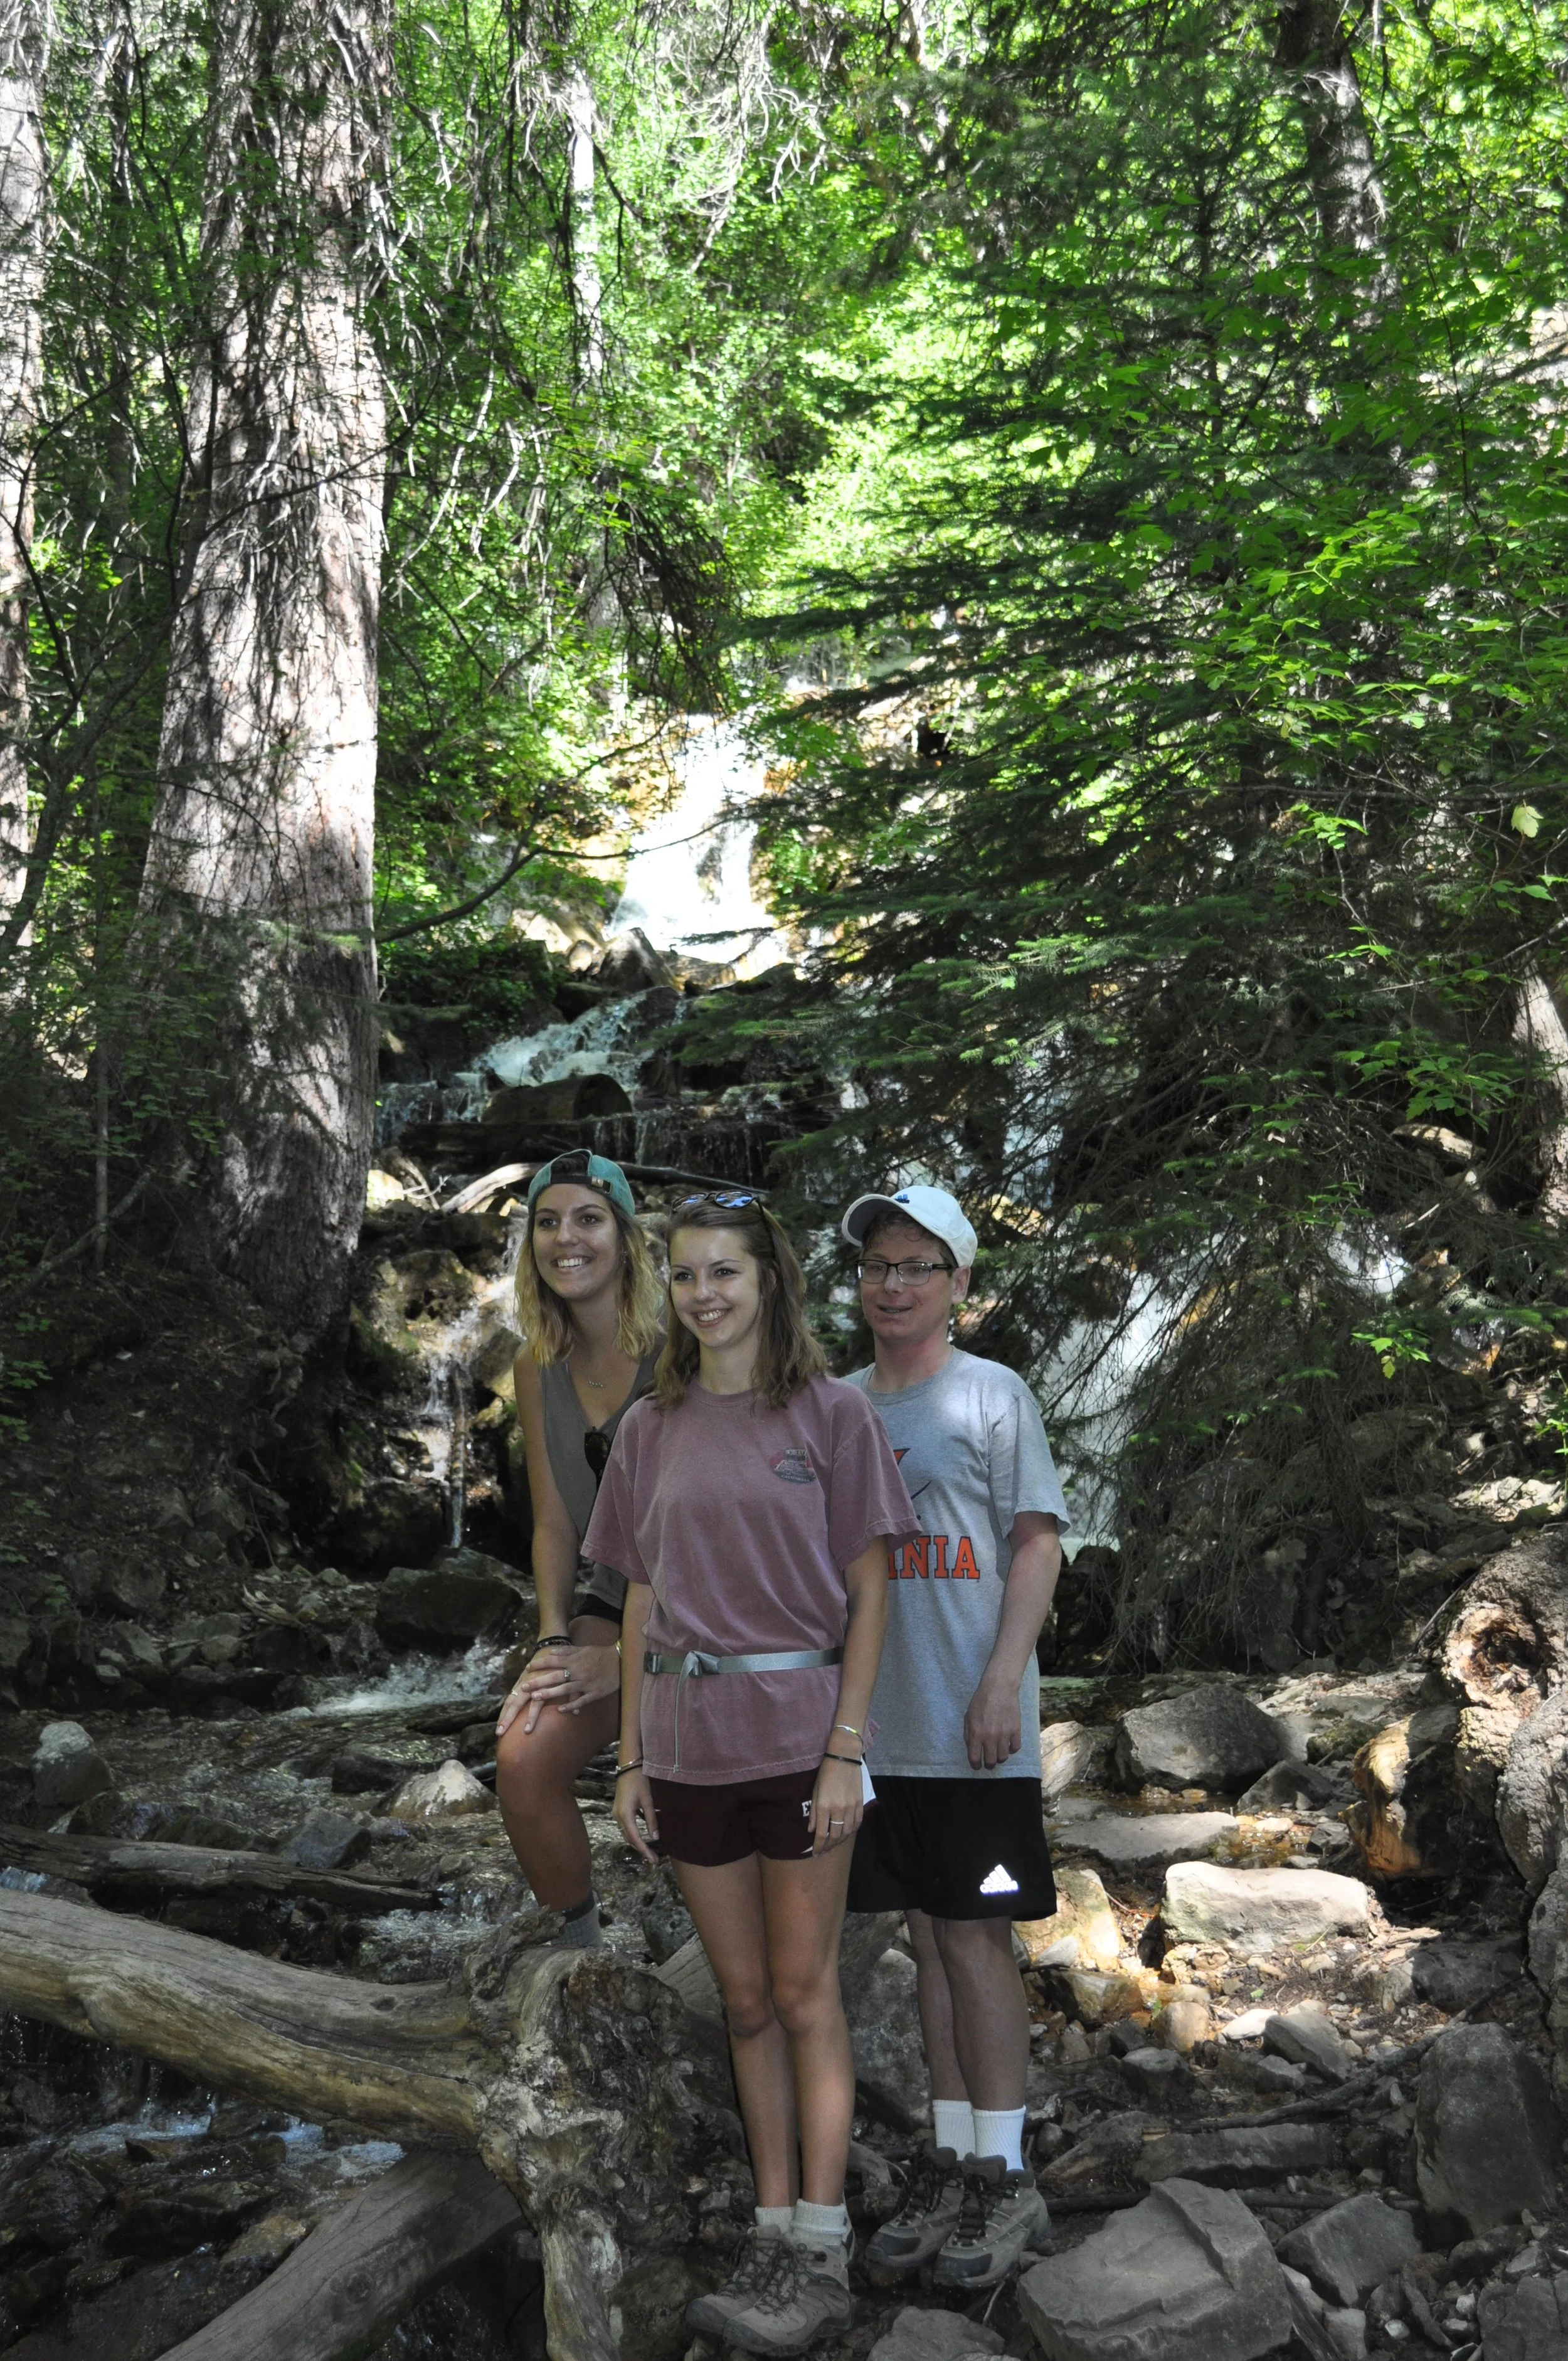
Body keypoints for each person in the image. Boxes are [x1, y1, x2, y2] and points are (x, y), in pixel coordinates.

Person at [589, 1192, 917, 2359]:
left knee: (804, 1991)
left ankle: (820, 2246)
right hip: (688, 1749)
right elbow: (639, 1598)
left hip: (800, 1743)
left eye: (723, 1271)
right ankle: (773, 2228)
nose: (702, 1294)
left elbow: (872, 1590)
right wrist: (631, 1754)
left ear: (769, 1280)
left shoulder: (832, 1414)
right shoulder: (650, 1425)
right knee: (742, 2002)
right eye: (683, 1275)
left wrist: (846, 1750)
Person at [841, 1184, 1068, 2290]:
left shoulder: (992, 1393)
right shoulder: (837, 1404)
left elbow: (1038, 1542)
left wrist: (1001, 1681)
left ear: (959, 1282)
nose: (894, 1284)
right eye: (878, 1265)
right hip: (878, 1729)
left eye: (916, 1266)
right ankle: (951, 2153)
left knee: (976, 1941)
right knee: (927, 1939)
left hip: (974, 1721)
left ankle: (1008, 2175)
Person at [494, 1149, 663, 1946]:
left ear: (626, 1236)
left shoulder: (684, 1349)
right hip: (617, 1590)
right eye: (548, 1221)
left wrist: (627, 1660)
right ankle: (578, 1957)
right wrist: (553, 1641)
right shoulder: (537, 1364)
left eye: (588, 1218)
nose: (566, 1237)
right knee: (523, 1756)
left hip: (721, 1607)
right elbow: (555, 1522)